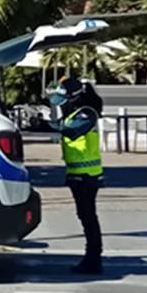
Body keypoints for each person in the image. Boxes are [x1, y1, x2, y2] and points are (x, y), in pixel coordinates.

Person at [49, 76, 105, 274]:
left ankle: (93, 259)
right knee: (84, 215)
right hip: (76, 173)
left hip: (87, 175)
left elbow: (72, 132)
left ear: (74, 96)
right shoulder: (74, 114)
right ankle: (92, 258)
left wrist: (49, 124)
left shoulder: (87, 114)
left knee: (88, 216)